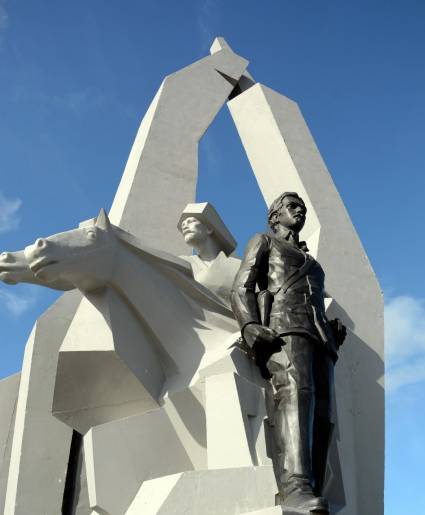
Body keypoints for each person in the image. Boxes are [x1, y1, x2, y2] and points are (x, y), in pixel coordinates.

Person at [231, 192, 346, 513]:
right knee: (295, 397)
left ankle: (315, 489)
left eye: (303, 209)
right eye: (292, 207)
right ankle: (296, 488)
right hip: (285, 328)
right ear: (275, 216)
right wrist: (249, 325)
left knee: (322, 415)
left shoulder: (314, 262)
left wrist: (332, 328)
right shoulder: (264, 242)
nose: (300, 213)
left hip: (321, 338)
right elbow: (242, 286)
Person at [178, 202, 241, 308]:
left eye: (191, 221)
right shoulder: (183, 263)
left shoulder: (237, 265)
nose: (185, 226)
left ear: (209, 229)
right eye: (183, 224)